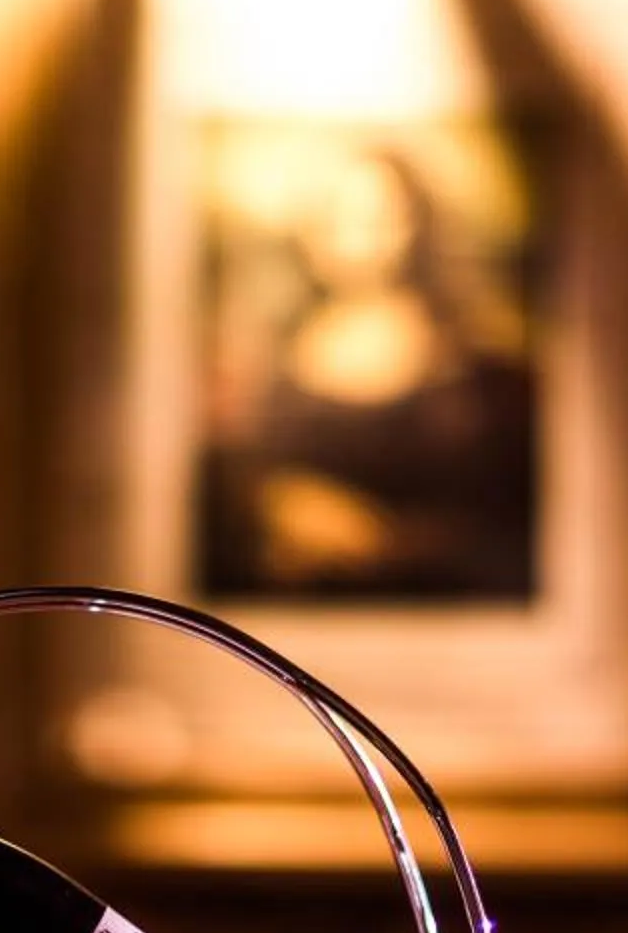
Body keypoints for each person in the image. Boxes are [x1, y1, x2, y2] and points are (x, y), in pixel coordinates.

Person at [195, 141, 540, 601]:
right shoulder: (267, 361)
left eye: (379, 219)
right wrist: (276, 510)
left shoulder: (475, 368)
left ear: (417, 223)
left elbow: (509, 518)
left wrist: (383, 541)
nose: (358, 240)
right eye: (337, 219)